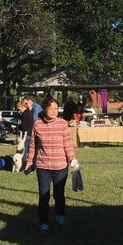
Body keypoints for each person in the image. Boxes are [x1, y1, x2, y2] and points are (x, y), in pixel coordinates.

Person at [24, 96, 79, 233]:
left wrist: (72, 159)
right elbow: (33, 146)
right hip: (43, 167)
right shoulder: (37, 125)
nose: (54, 111)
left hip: (60, 166)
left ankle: (61, 219)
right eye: (51, 108)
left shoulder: (63, 124)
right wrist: (29, 163)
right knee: (44, 196)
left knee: (59, 195)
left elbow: (68, 144)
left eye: (56, 108)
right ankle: (43, 223)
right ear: (44, 109)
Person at [17, 98, 36, 167]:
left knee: (24, 150)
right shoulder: (29, 112)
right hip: (30, 133)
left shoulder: (25, 114)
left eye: (19, 109)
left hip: (26, 134)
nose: (19, 111)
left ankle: (24, 164)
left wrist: (19, 127)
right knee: (29, 150)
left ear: (22, 107)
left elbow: (24, 125)